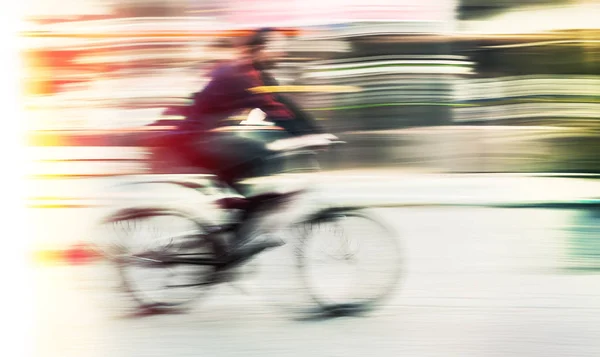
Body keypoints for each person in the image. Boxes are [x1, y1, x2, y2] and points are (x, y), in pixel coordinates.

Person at [179, 28, 336, 261]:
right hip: (198, 141)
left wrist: (318, 133)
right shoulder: (243, 75)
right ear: (259, 50)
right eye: (277, 48)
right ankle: (235, 244)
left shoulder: (256, 75)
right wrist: (309, 137)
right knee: (263, 161)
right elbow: (274, 110)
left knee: (263, 167)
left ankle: (234, 234)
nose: (282, 53)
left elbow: (284, 103)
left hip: (204, 139)